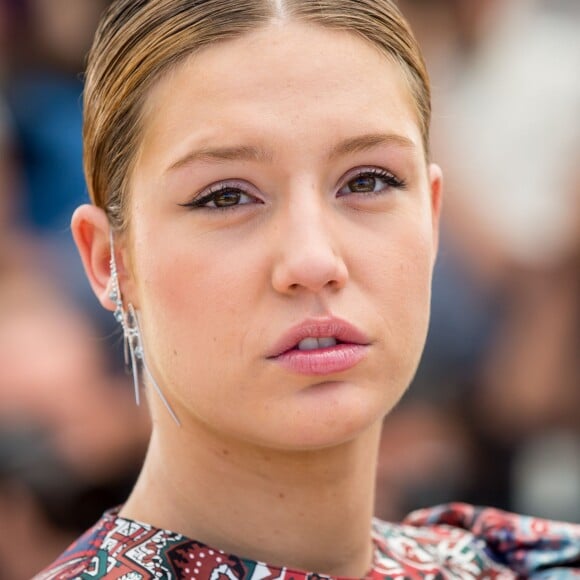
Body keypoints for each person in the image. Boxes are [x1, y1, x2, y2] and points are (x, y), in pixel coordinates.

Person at [37, 0, 580, 578]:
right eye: (226, 196)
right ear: (110, 261)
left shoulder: (534, 563)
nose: (314, 260)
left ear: (432, 215)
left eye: (368, 181)